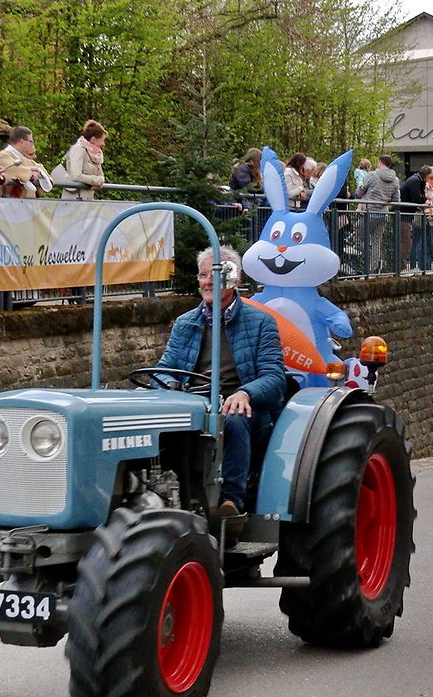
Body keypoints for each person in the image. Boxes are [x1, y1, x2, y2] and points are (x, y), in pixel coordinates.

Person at [155, 246, 286, 544]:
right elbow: (163, 370)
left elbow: (274, 378)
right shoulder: (185, 324)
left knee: (234, 417)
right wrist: (170, 385)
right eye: (203, 275)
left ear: (234, 278)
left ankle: (231, 504)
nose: (208, 282)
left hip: (243, 407)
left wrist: (245, 392)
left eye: (216, 276)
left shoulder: (260, 322)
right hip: (195, 402)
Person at [356, 155, 400, 274]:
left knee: (358, 237)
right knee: (377, 242)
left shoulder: (372, 175)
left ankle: (363, 262)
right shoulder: (395, 180)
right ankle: (372, 268)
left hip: (370, 212)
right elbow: (396, 199)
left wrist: (360, 189)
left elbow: (360, 193)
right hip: (383, 213)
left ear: (380, 162)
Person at [0, 126, 51, 198]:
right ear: (22, 142)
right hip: (10, 201)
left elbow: (41, 168)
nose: (32, 145)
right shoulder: (3, 156)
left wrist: (38, 174)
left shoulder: (23, 158)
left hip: (27, 202)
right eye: (31, 141)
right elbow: (15, 170)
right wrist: (31, 172)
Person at [61, 119, 107, 201]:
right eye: (102, 140)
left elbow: (101, 176)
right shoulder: (78, 149)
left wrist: (98, 181)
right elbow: (76, 175)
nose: (103, 143)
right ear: (93, 139)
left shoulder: (96, 155)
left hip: (87, 199)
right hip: (74, 199)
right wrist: (96, 181)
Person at [399, 165, 433, 270]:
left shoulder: (416, 180)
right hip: (403, 214)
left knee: (406, 241)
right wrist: (426, 200)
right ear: (427, 176)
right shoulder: (415, 181)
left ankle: (401, 266)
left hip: (406, 214)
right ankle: (400, 267)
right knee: (406, 241)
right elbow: (416, 198)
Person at [228, 147, 261, 211]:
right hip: (239, 200)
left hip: (247, 200)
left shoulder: (252, 170)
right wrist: (263, 189)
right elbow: (247, 186)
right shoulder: (242, 169)